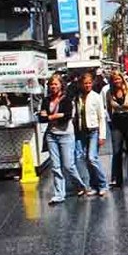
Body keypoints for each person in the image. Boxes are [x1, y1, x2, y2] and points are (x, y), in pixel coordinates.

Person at [39, 74, 87, 204]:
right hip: (51, 135)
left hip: (66, 135)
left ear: (61, 85)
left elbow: (67, 117)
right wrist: (56, 115)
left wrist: (50, 116)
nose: (53, 86)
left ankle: (80, 185)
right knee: (55, 166)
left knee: (68, 165)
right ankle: (59, 194)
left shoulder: (66, 99)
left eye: (56, 84)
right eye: (51, 84)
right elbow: (41, 118)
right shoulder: (46, 100)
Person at [75, 73, 109, 196]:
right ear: (81, 84)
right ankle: (94, 185)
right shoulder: (78, 97)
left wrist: (102, 135)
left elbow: (101, 117)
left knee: (92, 158)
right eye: (85, 83)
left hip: (94, 130)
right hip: (82, 131)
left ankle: (102, 183)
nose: (88, 85)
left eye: (89, 83)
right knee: (86, 159)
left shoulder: (96, 96)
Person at [106, 71, 128, 188]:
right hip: (116, 121)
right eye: (114, 79)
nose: (117, 81)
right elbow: (109, 108)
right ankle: (117, 178)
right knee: (116, 151)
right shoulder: (109, 92)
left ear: (122, 79)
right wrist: (111, 120)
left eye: (118, 79)